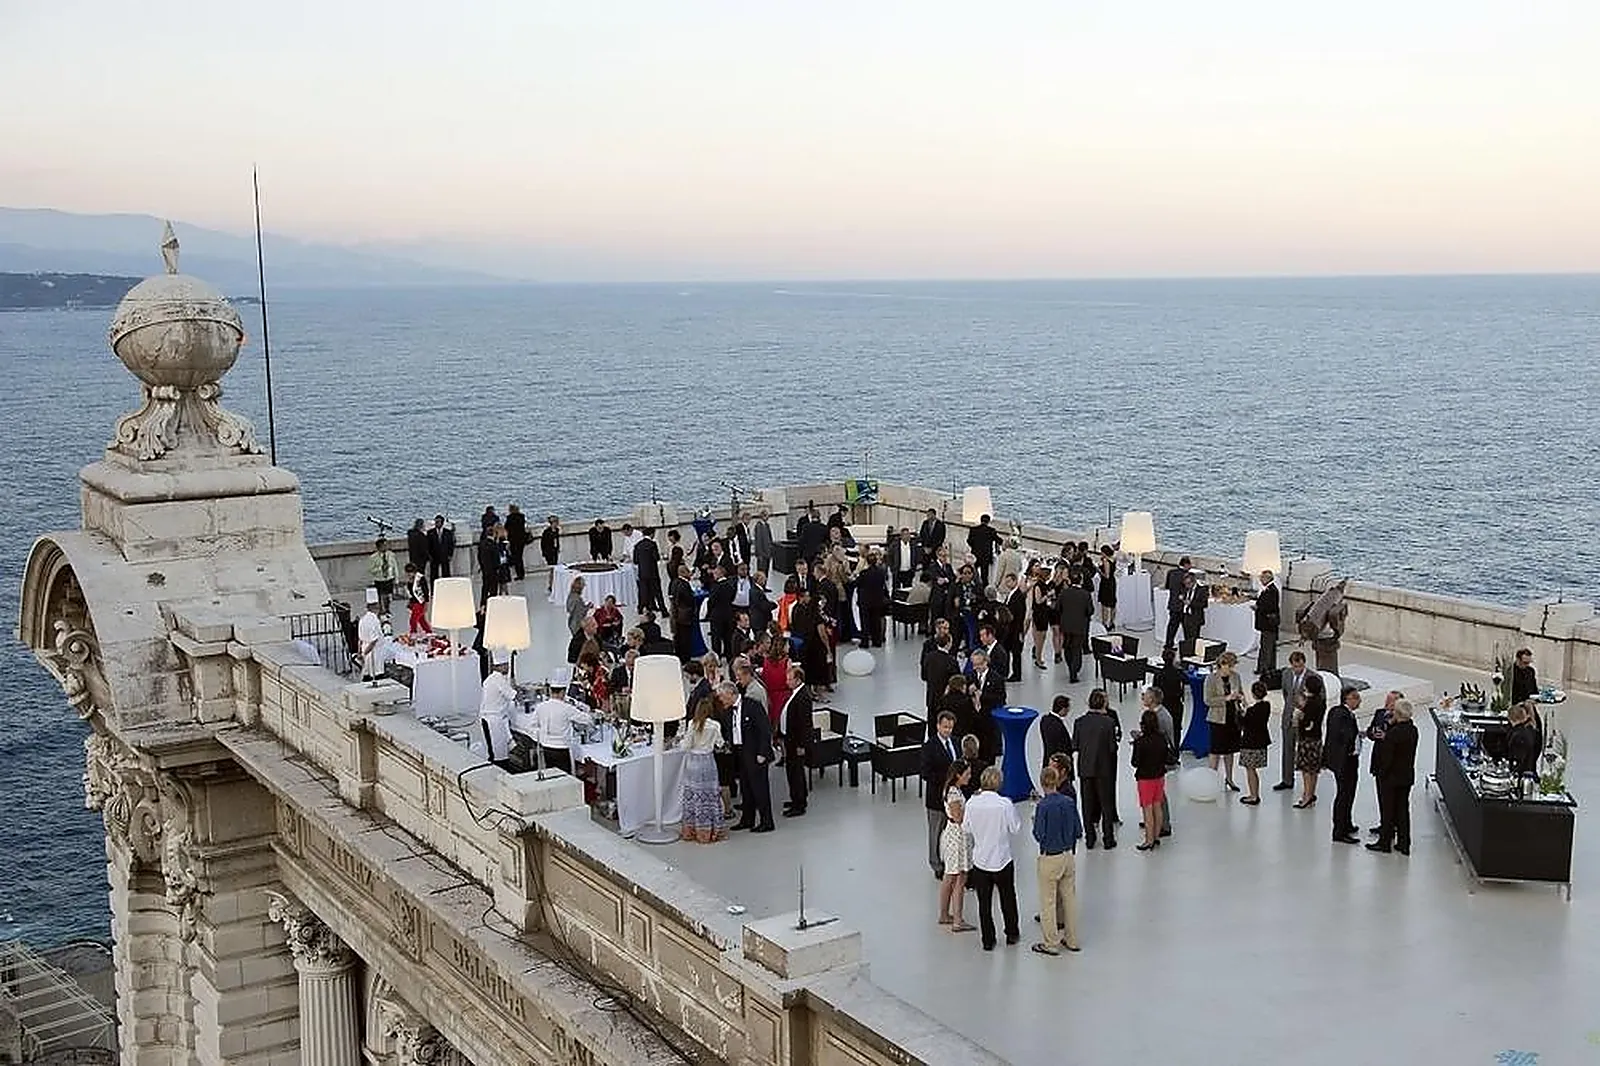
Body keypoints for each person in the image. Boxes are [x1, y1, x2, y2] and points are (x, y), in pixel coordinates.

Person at [963, 766, 1021, 951]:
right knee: (1008, 898)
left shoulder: (972, 803)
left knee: (984, 902)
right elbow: (1015, 828)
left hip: (981, 860)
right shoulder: (1005, 804)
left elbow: (966, 829)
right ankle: (1012, 933)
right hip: (1002, 858)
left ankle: (988, 939)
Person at [1031, 764, 1084, 955]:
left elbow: (1038, 834)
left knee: (1048, 902)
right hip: (1068, 856)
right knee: (1069, 899)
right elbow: (1079, 831)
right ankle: (1072, 939)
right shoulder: (1069, 802)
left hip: (1050, 858)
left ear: (1042, 782)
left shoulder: (1043, 806)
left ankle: (1051, 943)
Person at [720, 681, 775, 832]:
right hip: (739, 753)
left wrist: (762, 753)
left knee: (760, 788)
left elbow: (765, 729)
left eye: (723, 697)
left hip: (755, 754)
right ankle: (747, 819)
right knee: (746, 788)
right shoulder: (728, 711)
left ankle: (767, 821)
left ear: (731, 694)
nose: (721, 700)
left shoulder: (753, 706)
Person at [1368, 699, 1418, 854]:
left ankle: (1384, 843)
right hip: (1406, 776)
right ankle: (1404, 843)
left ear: (1398, 714)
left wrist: (1381, 773)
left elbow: (1387, 758)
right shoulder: (1413, 730)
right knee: (1403, 810)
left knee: (1387, 810)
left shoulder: (1393, 734)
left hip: (1390, 778)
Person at [1073, 694, 1119, 849]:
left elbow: (1075, 745)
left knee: (1087, 805)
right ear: (1103, 704)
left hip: (1085, 768)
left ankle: (1090, 839)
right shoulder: (1109, 722)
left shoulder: (1079, 722)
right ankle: (1108, 839)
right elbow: (1112, 747)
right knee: (1106, 805)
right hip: (1103, 769)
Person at [678, 697, 727, 843]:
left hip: (693, 763)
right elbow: (720, 743)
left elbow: (685, 746)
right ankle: (711, 828)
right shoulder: (715, 725)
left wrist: (680, 741)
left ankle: (691, 829)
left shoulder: (693, 724)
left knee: (693, 796)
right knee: (709, 796)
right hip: (708, 762)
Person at [921, 712, 959, 879]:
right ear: (937, 726)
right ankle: (936, 864)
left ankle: (952, 860)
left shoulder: (956, 742)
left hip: (954, 798)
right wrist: (946, 779)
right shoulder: (929, 746)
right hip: (936, 798)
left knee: (954, 831)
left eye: (950, 727)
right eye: (945, 727)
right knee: (935, 832)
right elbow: (925, 772)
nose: (948, 730)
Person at [937, 761, 975, 932]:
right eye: (967, 774)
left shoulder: (952, 790)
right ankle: (958, 920)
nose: (970, 776)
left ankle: (945, 914)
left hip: (954, 835)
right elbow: (958, 817)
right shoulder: (953, 794)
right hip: (957, 838)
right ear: (958, 775)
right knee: (959, 877)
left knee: (950, 876)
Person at [1203, 651, 1245, 791]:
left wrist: (1239, 697)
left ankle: (1229, 778)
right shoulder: (1211, 679)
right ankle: (1211, 780)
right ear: (1222, 665)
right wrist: (1226, 699)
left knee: (1230, 751)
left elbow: (1241, 692)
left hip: (1232, 718)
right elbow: (1208, 700)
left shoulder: (1236, 677)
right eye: (1230, 665)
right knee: (1215, 751)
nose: (1232, 668)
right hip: (1217, 719)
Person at [1325, 687, 1362, 844]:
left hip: (1344, 760)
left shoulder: (1338, 712)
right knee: (1344, 794)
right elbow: (1344, 736)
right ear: (1348, 699)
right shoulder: (1343, 716)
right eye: (1356, 697)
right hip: (1345, 761)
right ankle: (1339, 831)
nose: (1359, 701)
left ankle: (1346, 823)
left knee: (1348, 792)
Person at [1132, 710, 1169, 851]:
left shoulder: (1141, 742)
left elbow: (1135, 762)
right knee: (1157, 806)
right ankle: (1157, 836)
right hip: (1159, 776)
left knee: (1147, 809)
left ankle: (1148, 840)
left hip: (1145, 779)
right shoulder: (1161, 738)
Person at [781, 664, 814, 817]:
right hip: (790, 739)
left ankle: (799, 803)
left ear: (798, 679)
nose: (787, 682)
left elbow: (805, 723)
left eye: (789, 679)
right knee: (792, 771)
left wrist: (801, 745)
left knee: (795, 772)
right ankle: (797, 797)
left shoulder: (803, 697)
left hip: (796, 742)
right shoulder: (796, 693)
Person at [1276, 650, 1312, 792]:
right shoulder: (1286, 674)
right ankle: (1287, 780)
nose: (1297, 670)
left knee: (1305, 751)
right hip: (1288, 718)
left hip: (1304, 720)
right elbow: (1286, 694)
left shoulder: (1312, 677)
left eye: (1300, 666)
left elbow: (1319, 698)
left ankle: (1308, 784)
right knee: (1287, 749)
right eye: (1295, 667)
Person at [477, 649, 518, 761]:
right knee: (499, 756)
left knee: (493, 751)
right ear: (498, 666)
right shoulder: (498, 679)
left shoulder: (490, 679)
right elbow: (513, 695)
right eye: (505, 665)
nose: (507, 668)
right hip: (494, 722)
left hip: (487, 719)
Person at [1294, 672, 1327, 808]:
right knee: (1314, 769)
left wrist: (1300, 715)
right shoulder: (1321, 702)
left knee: (1306, 770)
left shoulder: (1310, 704)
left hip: (1307, 739)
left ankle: (1307, 796)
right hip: (1317, 738)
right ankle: (1311, 794)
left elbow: (1307, 722)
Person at [1237, 680, 1272, 804]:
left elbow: (1243, 722)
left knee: (1250, 770)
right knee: (1254, 770)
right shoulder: (1266, 706)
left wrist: (1239, 711)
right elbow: (1252, 712)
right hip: (1261, 742)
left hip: (1250, 743)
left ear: (1253, 694)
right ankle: (1255, 794)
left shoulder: (1252, 712)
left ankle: (1253, 795)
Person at [1057, 572, 1093, 683]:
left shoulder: (1064, 593)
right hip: (1080, 625)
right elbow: (1090, 611)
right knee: (1077, 649)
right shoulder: (1086, 594)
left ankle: (1070, 668)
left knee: (1067, 647)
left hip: (1066, 625)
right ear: (1081, 580)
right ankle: (1074, 672)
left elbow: (1058, 608)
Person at [855, 548, 889, 648]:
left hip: (865, 601)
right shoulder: (881, 572)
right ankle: (877, 641)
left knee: (865, 622)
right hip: (877, 600)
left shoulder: (863, 573)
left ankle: (865, 642)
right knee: (876, 621)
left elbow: (858, 584)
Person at [1029, 566, 1057, 669]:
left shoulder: (1043, 585)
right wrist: (1048, 595)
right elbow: (1038, 601)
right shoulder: (1038, 586)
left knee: (1041, 637)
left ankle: (1038, 656)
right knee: (1040, 638)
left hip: (1043, 613)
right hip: (1039, 614)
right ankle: (1038, 658)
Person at [1162, 557, 1194, 648]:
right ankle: (1188, 646)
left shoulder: (1171, 572)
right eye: (1190, 564)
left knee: (1172, 627)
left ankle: (1168, 644)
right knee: (1187, 629)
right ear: (1186, 565)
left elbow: (1167, 586)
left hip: (1173, 604)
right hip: (1183, 605)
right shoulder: (1187, 575)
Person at [1254, 570, 1281, 676]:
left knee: (1267, 647)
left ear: (1267, 579)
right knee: (1268, 646)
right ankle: (1267, 667)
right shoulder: (1269, 590)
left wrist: (1258, 608)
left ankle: (1264, 669)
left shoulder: (1272, 591)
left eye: (1262, 578)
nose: (1260, 579)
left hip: (1268, 624)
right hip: (1268, 624)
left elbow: (1269, 607)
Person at [357, 587, 387, 681]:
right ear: (376, 607)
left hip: (365, 648)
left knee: (366, 673)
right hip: (373, 652)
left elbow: (360, 640)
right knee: (376, 675)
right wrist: (365, 653)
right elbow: (374, 640)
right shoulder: (374, 620)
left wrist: (360, 652)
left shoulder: (362, 619)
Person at [966, 515, 1003, 589]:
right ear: (988, 521)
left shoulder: (973, 529)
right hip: (986, 557)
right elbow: (1000, 541)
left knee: (972, 573)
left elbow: (969, 541)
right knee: (984, 576)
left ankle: (972, 588)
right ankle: (984, 591)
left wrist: (974, 547)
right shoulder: (991, 530)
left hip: (975, 555)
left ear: (980, 520)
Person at [633, 528, 666, 613]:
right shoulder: (652, 544)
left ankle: (641, 609)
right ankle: (663, 610)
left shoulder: (637, 545)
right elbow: (656, 557)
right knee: (658, 592)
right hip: (653, 572)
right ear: (652, 534)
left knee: (643, 592)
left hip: (642, 573)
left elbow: (635, 560)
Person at [1507, 701, 1542, 774]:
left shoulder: (1518, 735)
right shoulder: (1531, 729)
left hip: (1521, 773)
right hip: (1530, 770)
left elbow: (1518, 759)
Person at [1040, 695, 1074, 770]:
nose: (1068, 711)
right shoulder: (1058, 726)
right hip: (1059, 766)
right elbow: (1064, 747)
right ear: (1063, 709)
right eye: (1068, 709)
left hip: (1048, 761)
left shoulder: (1044, 720)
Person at [367, 537, 399, 615]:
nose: (386, 547)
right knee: (381, 595)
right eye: (384, 545)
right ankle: (382, 610)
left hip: (389, 578)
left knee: (388, 596)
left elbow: (395, 567)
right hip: (379, 579)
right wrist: (380, 568)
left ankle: (387, 609)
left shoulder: (391, 555)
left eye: (386, 545)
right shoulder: (373, 557)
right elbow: (371, 570)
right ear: (379, 547)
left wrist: (396, 578)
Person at [403, 563, 431, 635]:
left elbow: (426, 591)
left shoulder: (420, 578)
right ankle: (428, 631)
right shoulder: (409, 580)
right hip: (415, 602)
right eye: (407, 572)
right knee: (421, 619)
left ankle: (413, 633)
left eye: (411, 572)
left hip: (421, 602)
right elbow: (412, 593)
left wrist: (427, 603)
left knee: (413, 619)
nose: (409, 574)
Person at [426, 515, 454, 583]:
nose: (436, 523)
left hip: (445, 556)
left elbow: (451, 544)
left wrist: (450, 554)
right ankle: (433, 590)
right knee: (434, 575)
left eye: (438, 522)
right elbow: (428, 545)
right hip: (434, 556)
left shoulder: (448, 533)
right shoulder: (430, 533)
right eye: (436, 522)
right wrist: (429, 556)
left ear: (442, 523)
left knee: (446, 574)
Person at [1096, 546, 1118, 631]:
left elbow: (1106, 575)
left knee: (1105, 604)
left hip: (1106, 584)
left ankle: (1104, 623)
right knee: (1112, 603)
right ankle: (1112, 623)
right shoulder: (1113, 559)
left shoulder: (1106, 561)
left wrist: (1098, 570)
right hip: (1112, 582)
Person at [503, 505, 528, 581]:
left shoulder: (510, 518)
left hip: (513, 540)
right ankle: (521, 573)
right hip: (521, 540)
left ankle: (519, 574)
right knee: (520, 557)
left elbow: (506, 527)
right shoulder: (522, 517)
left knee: (515, 557)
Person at [539, 516, 562, 593]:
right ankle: (551, 585)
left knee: (554, 568)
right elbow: (543, 543)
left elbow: (557, 540)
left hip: (555, 551)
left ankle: (553, 585)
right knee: (552, 569)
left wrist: (558, 548)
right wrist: (544, 553)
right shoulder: (546, 532)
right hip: (549, 552)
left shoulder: (557, 530)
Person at [752, 509, 775, 576]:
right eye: (765, 515)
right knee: (761, 571)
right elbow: (758, 541)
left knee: (766, 571)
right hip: (762, 554)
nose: (767, 517)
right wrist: (760, 554)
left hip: (768, 553)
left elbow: (770, 539)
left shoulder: (767, 525)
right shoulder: (758, 526)